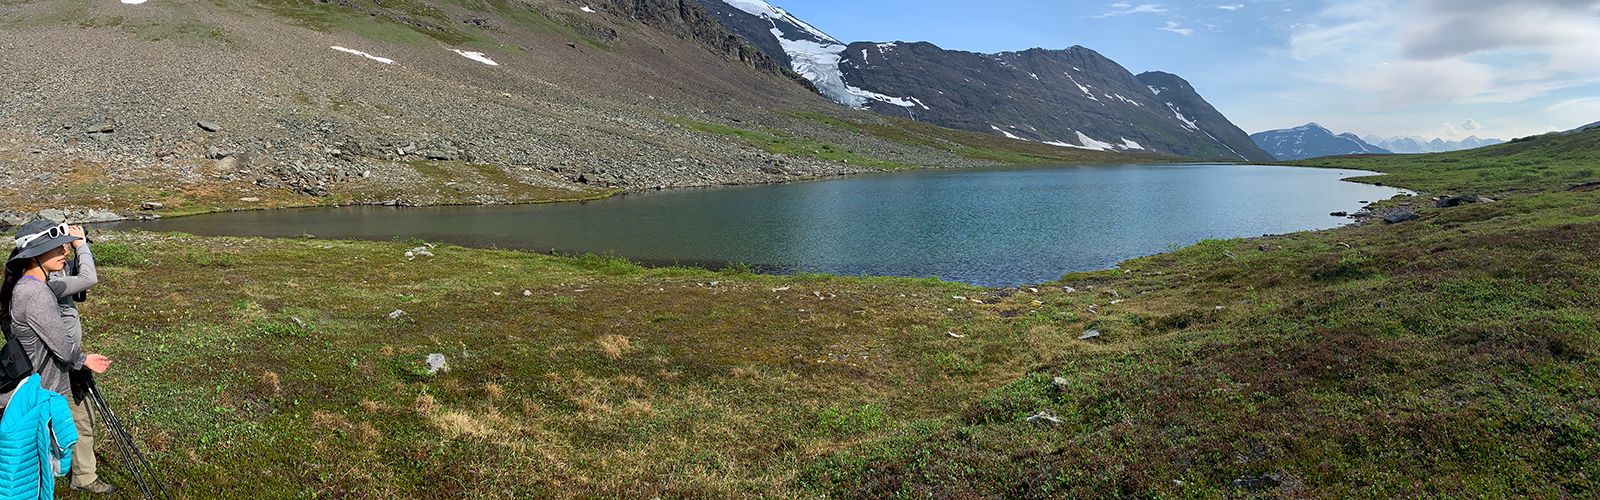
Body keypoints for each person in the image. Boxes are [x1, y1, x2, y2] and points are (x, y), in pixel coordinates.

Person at [3, 220, 112, 494]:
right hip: (42, 385)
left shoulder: (28, 287)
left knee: (40, 452)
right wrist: (84, 360)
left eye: (63, 245)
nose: (64, 251)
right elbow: (61, 345)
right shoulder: (35, 293)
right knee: (36, 457)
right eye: (55, 248)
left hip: (42, 381)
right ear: (34, 256)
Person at [46, 224, 115, 494]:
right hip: (63, 363)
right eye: (57, 246)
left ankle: (81, 474)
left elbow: (79, 292)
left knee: (78, 418)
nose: (64, 248)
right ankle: (78, 476)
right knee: (76, 419)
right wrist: (81, 246)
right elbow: (88, 279)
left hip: (69, 359)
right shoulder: (48, 283)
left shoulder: (50, 275)